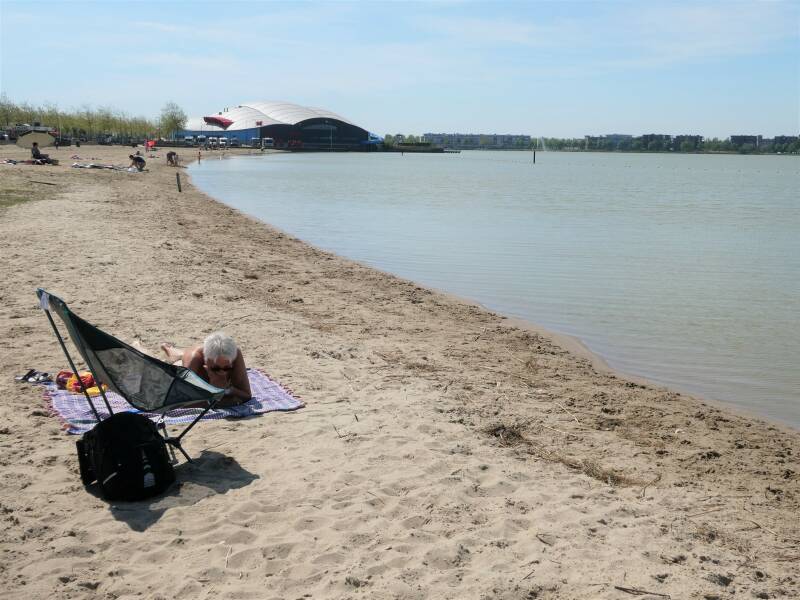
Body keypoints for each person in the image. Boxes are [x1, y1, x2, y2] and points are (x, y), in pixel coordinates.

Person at [161, 332, 251, 407]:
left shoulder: (235, 353)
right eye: (216, 368)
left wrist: (228, 390)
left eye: (227, 368)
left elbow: (246, 395)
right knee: (177, 364)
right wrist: (214, 400)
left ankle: (173, 350)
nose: (222, 373)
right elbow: (180, 400)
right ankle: (169, 349)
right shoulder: (194, 359)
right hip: (188, 363)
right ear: (206, 359)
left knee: (181, 356)